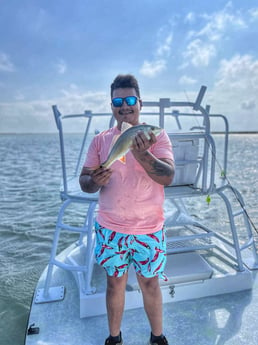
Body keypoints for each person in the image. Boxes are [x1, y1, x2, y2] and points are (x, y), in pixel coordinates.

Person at [79, 74, 175, 345]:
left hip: (149, 228)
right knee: (114, 283)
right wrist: (93, 181)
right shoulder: (100, 141)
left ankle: (157, 338)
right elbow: (85, 181)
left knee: (150, 284)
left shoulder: (158, 136)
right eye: (118, 101)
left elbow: (167, 177)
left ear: (140, 103)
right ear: (111, 106)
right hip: (111, 228)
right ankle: (114, 338)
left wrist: (143, 154)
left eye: (130, 99)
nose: (124, 106)